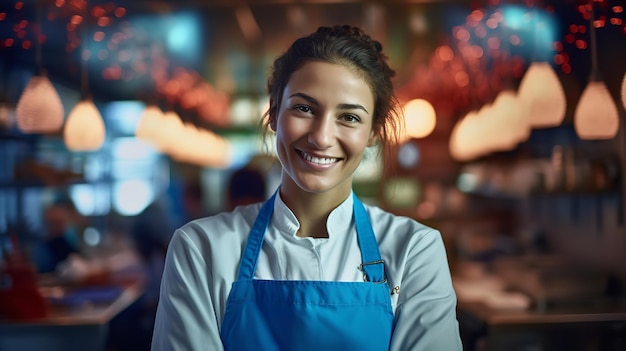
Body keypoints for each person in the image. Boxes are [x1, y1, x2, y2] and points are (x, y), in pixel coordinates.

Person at [151, 25, 462, 350]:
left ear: (372, 133)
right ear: (273, 112)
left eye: (350, 118)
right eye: (304, 108)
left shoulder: (414, 250)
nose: (322, 137)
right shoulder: (201, 249)